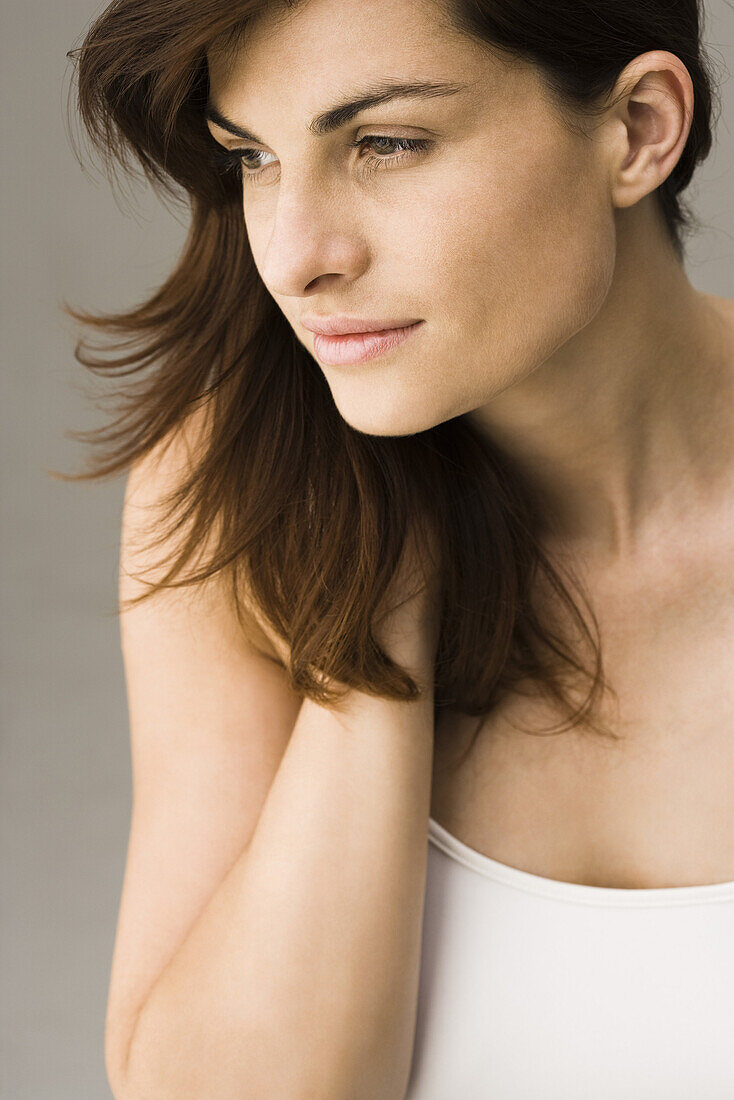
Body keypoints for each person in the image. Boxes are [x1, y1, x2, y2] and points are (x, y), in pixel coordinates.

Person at [64, 0, 734, 1095]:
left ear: (638, 129)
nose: (294, 258)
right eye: (254, 158)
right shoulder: (242, 494)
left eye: (384, 143)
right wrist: (368, 613)